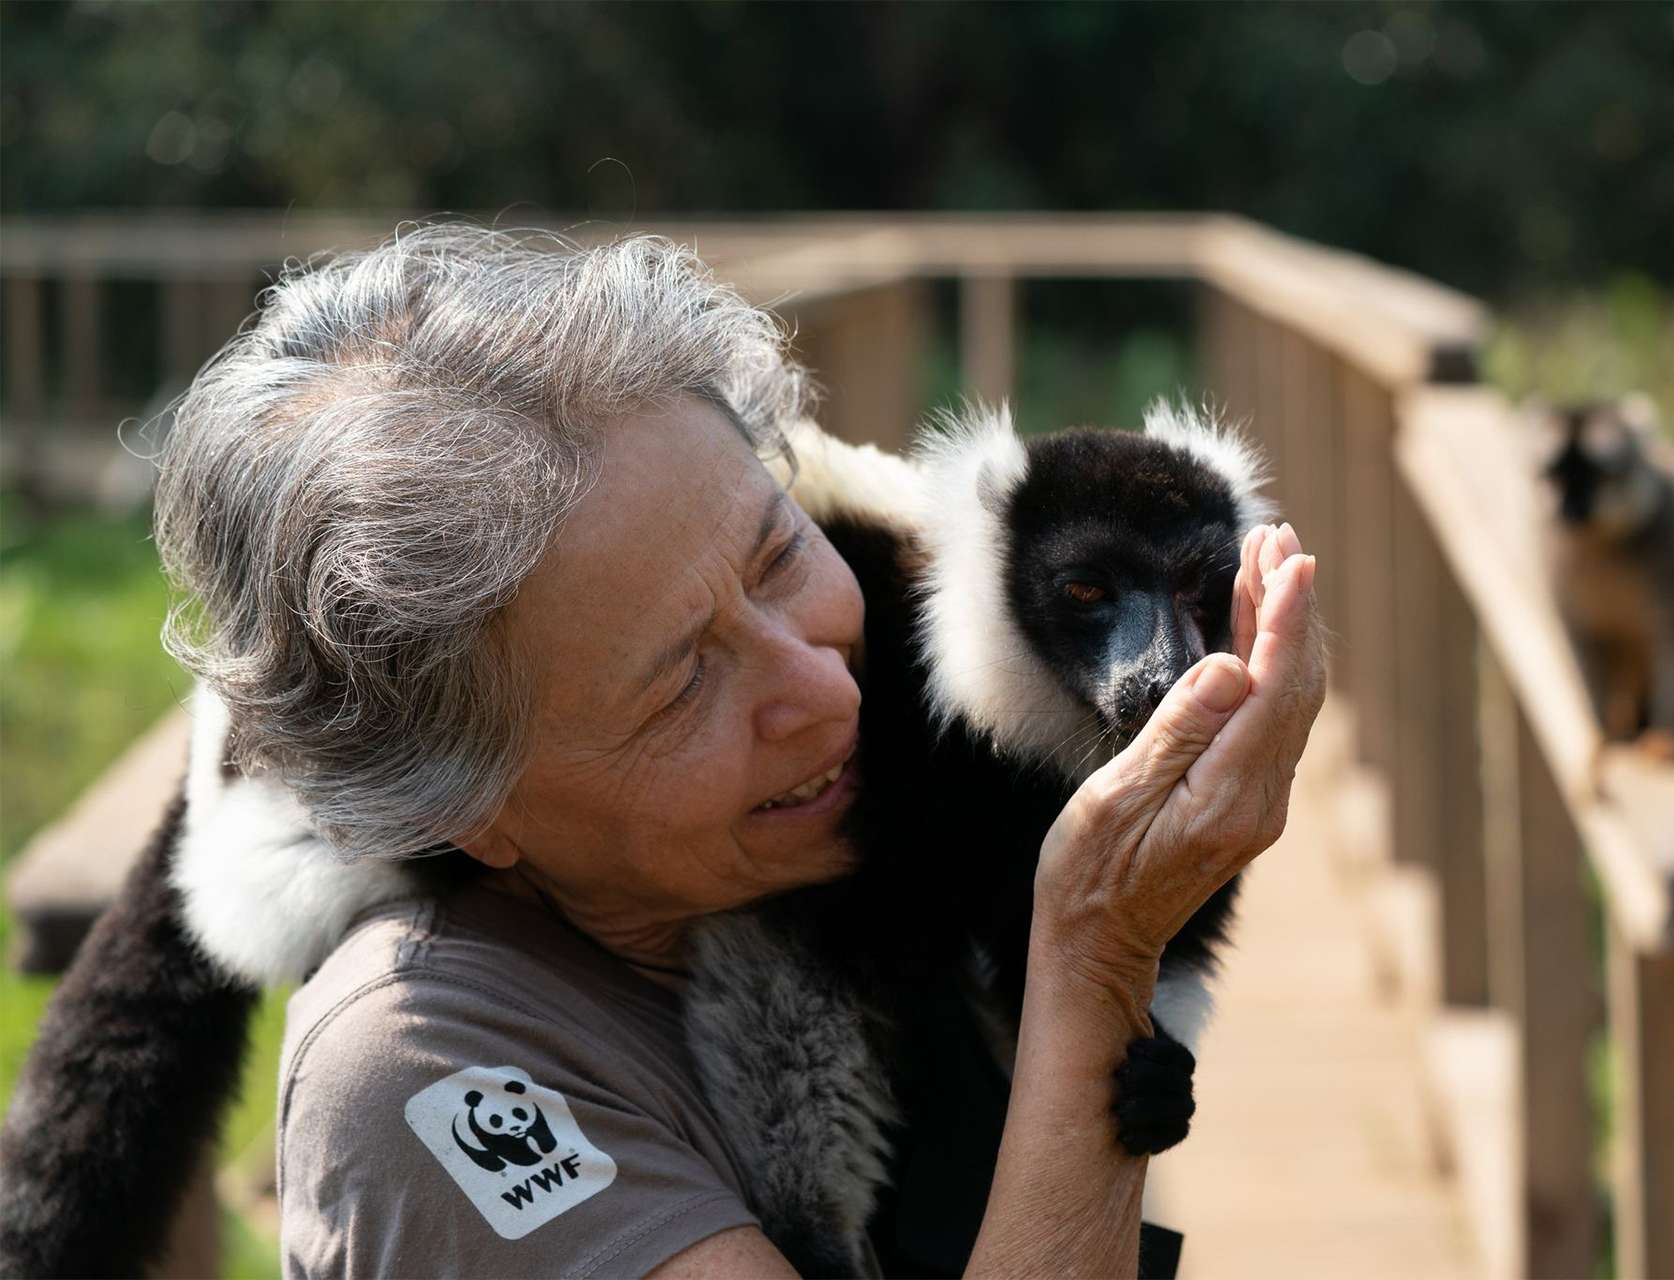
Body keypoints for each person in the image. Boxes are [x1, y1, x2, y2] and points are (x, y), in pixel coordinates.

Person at [151, 224, 1327, 1277]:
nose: (823, 690)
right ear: (471, 804)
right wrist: (1098, 952)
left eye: (778, 558)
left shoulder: (847, 808)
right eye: (681, 678)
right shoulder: (426, 1070)